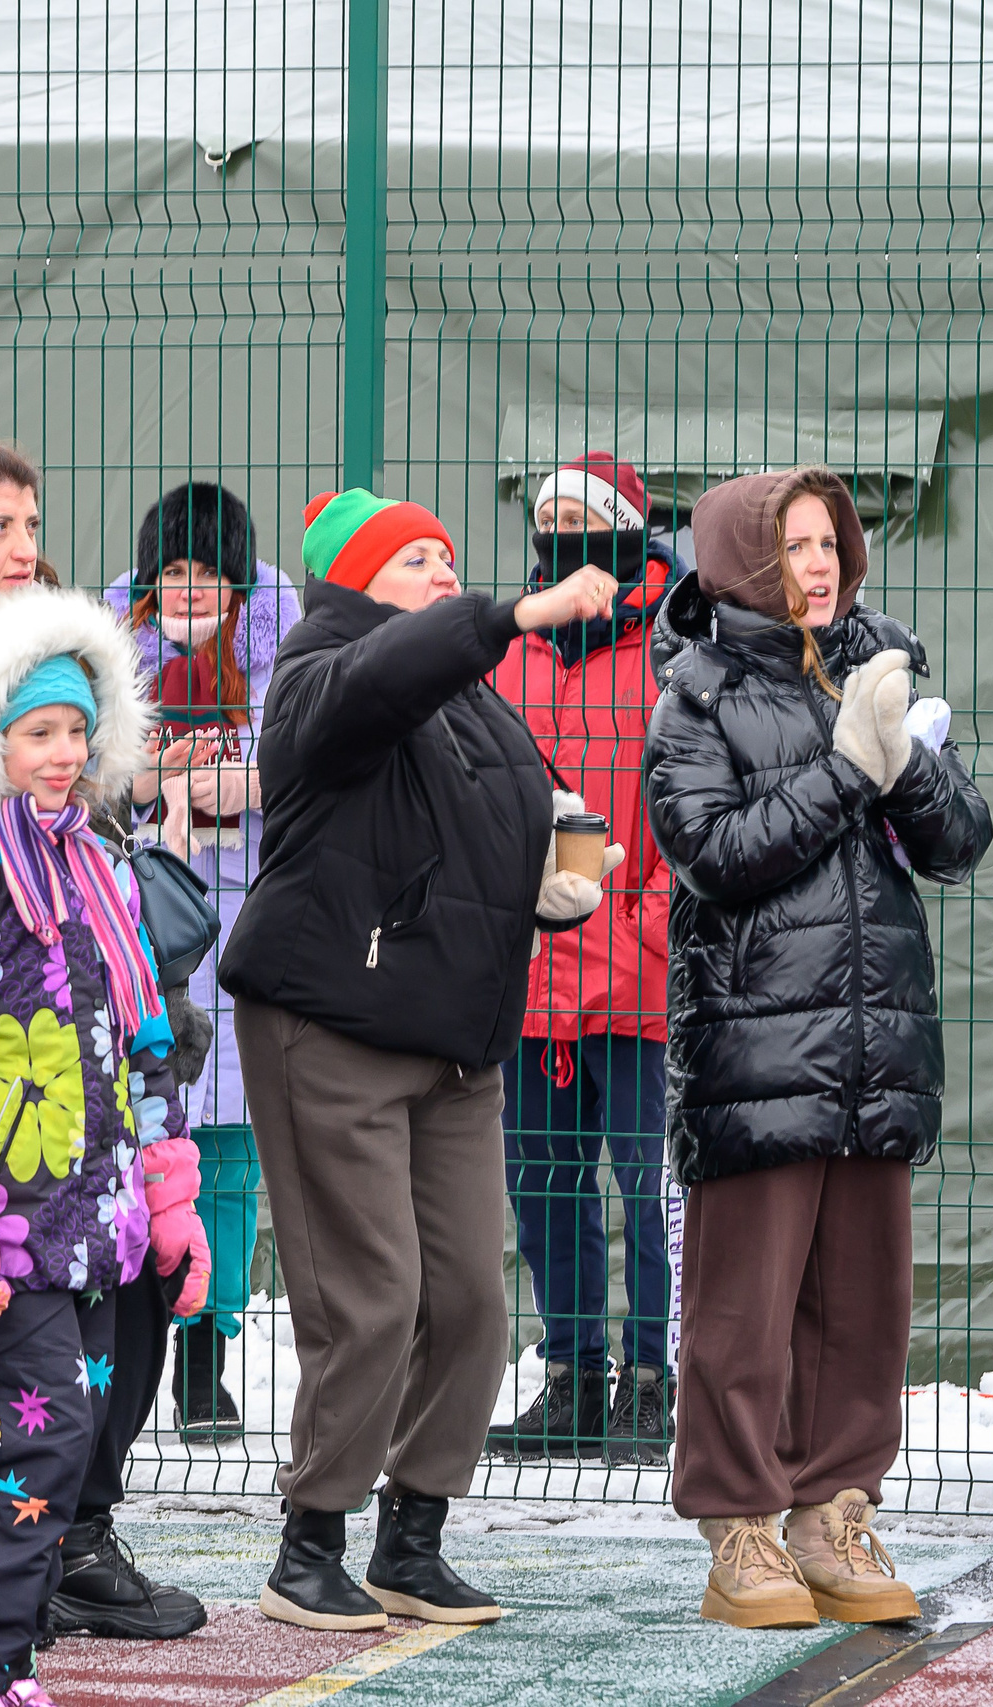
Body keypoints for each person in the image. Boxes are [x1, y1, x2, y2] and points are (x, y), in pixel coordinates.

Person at [219, 486, 619, 1632]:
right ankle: (310, 1545)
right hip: (329, 1026)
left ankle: (414, 1537)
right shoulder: (317, 675)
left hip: (454, 1047)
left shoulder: (478, 706)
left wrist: (553, 885)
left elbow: (528, 818)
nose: (445, 571)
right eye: (418, 559)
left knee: (473, 1301)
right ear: (355, 583)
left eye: (451, 557)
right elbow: (379, 688)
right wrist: (507, 613)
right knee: (372, 1299)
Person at [0, 441, 208, 1645]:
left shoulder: (93, 861)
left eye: (31, 524)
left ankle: (31, 1580)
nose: (23, 545)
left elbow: (139, 1033)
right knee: (15, 1403)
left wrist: (166, 1184)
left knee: (75, 1408)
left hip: (95, 1178)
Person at [642, 467, 989, 1630]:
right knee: (743, 1308)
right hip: (753, 1043)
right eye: (793, 544)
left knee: (861, 1302)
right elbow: (712, 850)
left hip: (875, 1039)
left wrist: (907, 761)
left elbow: (959, 843)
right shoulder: (693, 690)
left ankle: (832, 1509)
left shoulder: (880, 658)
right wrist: (844, 770)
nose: (820, 561)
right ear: (745, 557)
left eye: (829, 539)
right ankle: (738, 1523)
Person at [484, 454, 678, 1465]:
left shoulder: (672, 646)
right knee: (544, 1184)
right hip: (535, 961)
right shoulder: (510, 647)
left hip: (641, 956)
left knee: (645, 1184)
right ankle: (571, 1376)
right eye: (548, 518)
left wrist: (656, 914)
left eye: (582, 519)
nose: (561, 534)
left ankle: (652, 1379)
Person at [105, 481, 295, 1443]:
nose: (188, 591)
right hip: (139, 919)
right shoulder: (111, 651)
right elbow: (108, 770)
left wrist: (184, 775)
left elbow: (283, 765)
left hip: (243, 919)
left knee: (227, 1157)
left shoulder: (279, 646)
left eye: (208, 575)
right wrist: (194, 776)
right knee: (139, 1139)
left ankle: (205, 1354)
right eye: (172, 573)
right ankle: (135, 1335)